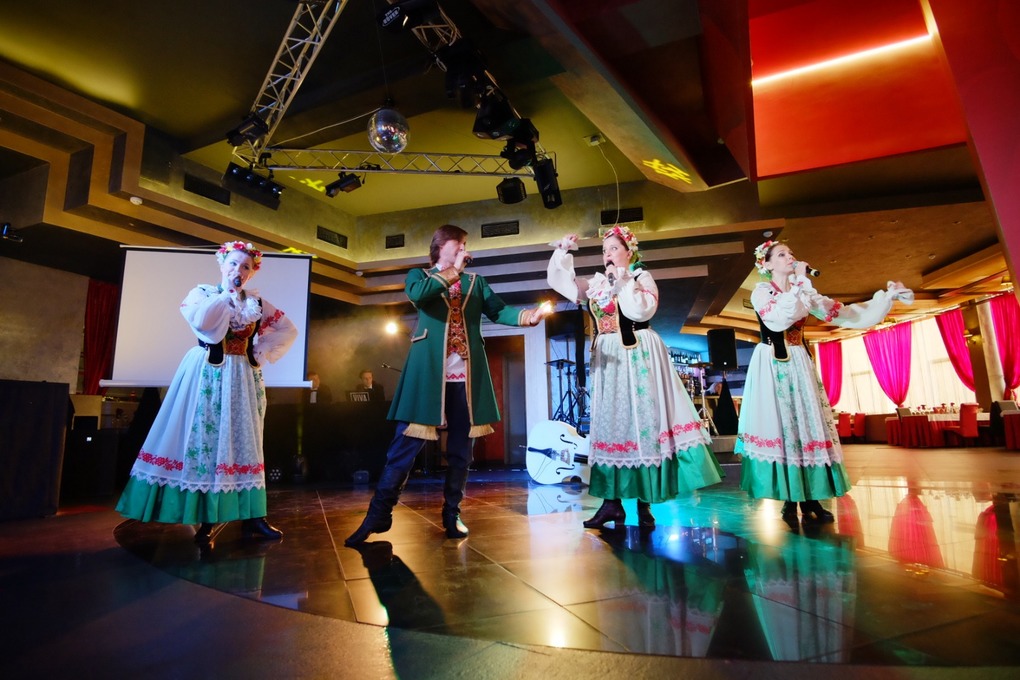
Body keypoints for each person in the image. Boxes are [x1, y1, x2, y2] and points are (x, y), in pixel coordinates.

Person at [345, 224, 548, 545]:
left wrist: (527, 317)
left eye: (465, 245)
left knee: (461, 451)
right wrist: (454, 271)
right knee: (403, 448)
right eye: (460, 243)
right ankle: (378, 514)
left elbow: (498, 311)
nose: (465, 249)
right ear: (441, 245)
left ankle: (452, 514)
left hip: (466, 377)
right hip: (427, 374)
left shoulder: (476, 282)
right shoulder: (420, 276)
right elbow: (418, 297)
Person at [116, 240, 298, 546]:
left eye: (245, 266)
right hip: (211, 374)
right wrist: (227, 295)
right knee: (208, 440)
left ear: (252, 273)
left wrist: (260, 350)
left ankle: (254, 516)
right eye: (233, 264)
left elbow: (288, 330)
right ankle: (207, 517)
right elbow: (204, 323)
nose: (238, 270)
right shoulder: (202, 295)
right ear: (222, 265)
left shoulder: (256, 303)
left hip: (243, 377)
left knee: (247, 442)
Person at [546, 227, 724, 529]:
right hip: (608, 361)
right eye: (604, 250)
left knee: (643, 422)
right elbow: (565, 285)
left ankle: (644, 502)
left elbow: (641, 311)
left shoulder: (641, 278)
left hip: (637, 355)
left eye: (613, 249)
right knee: (611, 426)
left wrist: (623, 279)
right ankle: (611, 504)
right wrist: (562, 253)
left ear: (629, 252)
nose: (607, 255)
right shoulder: (598, 283)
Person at [737, 239, 913, 525]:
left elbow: (844, 313)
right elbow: (778, 320)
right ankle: (790, 498)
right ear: (766, 264)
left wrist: (886, 298)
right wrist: (800, 283)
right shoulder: (762, 292)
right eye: (781, 254)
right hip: (773, 363)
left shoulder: (804, 291)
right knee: (784, 427)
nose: (790, 257)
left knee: (807, 425)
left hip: (799, 362)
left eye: (791, 253)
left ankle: (811, 499)